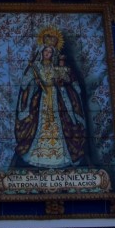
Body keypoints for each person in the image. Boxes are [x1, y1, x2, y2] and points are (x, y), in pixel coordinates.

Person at [12, 26, 87, 169]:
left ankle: (60, 157)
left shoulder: (58, 67)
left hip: (56, 99)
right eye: (46, 51)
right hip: (41, 101)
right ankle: (37, 155)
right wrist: (34, 81)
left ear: (54, 53)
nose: (47, 53)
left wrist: (61, 83)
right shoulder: (35, 67)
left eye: (50, 52)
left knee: (62, 123)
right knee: (39, 124)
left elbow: (70, 83)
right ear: (42, 52)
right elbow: (24, 85)